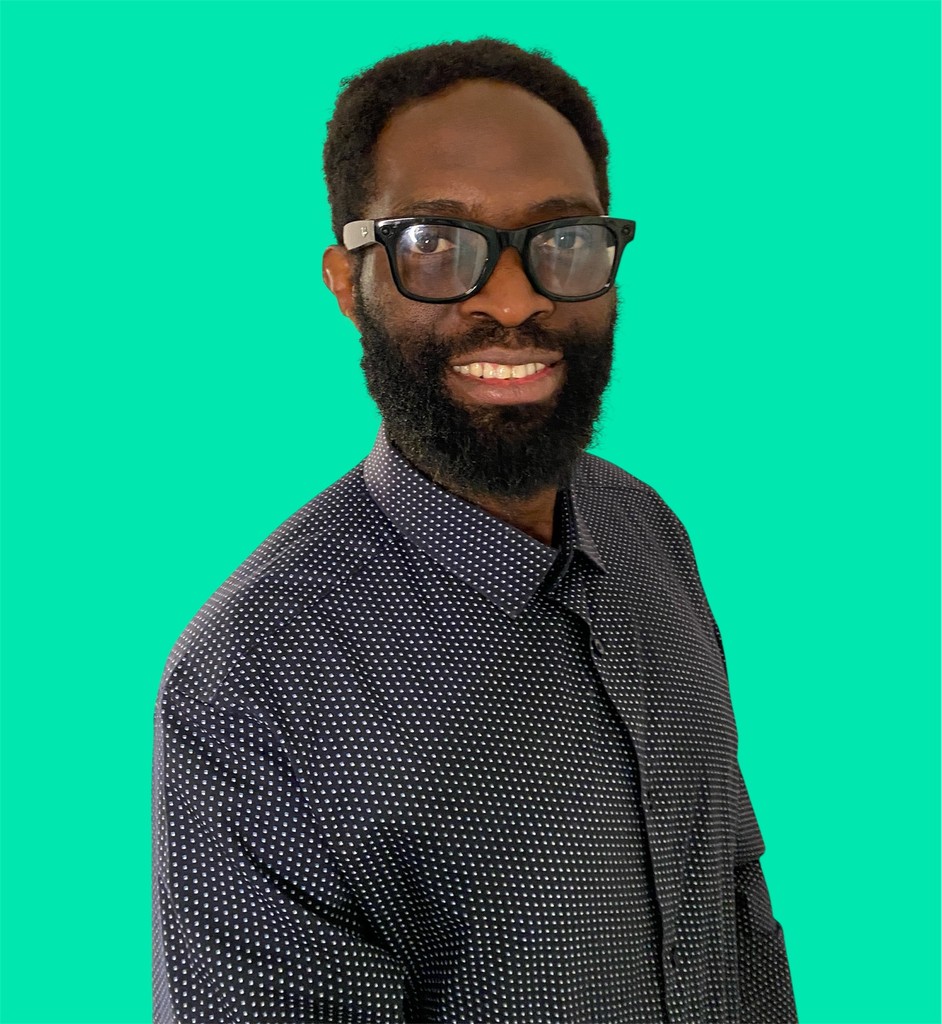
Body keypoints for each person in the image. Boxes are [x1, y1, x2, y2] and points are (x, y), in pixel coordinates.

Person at [151, 38, 797, 1024]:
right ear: (348, 282)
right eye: (436, 244)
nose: (514, 297)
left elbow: (733, 912)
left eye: (563, 238)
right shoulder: (252, 685)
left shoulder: (649, 531)